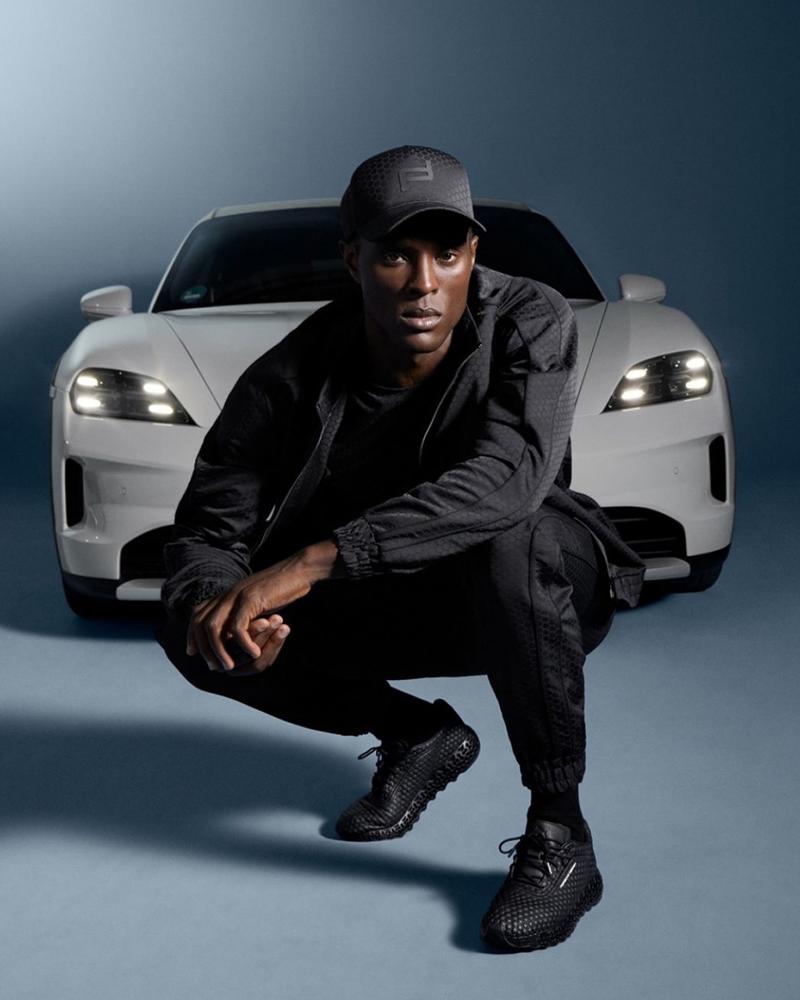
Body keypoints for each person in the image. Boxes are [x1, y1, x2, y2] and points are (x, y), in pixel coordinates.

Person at [154, 144, 645, 952]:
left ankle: (562, 835)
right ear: (353, 260)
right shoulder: (291, 373)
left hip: (535, 587)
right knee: (194, 625)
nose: (424, 283)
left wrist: (307, 563)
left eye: (446, 254)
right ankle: (414, 733)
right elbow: (208, 530)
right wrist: (225, 606)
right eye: (395, 255)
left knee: (510, 536)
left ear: (473, 254)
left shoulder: (529, 318)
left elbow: (509, 480)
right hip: (393, 598)